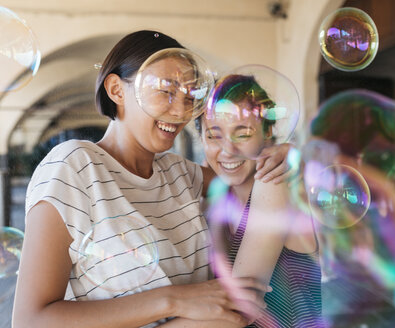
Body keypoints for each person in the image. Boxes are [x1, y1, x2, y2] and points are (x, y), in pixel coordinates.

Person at [12, 30, 293, 328]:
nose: (180, 110)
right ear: (117, 90)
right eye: (167, 91)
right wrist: (173, 299)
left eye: (189, 96)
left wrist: (284, 154)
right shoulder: (74, 166)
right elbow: (30, 320)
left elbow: (248, 172)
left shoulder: (180, 173)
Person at [196, 74, 323, 327]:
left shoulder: (276, 185)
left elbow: (238, 310)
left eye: (242, 133)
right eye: (213, 135)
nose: (228, 150)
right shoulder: (217, 200)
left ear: (268, 133)